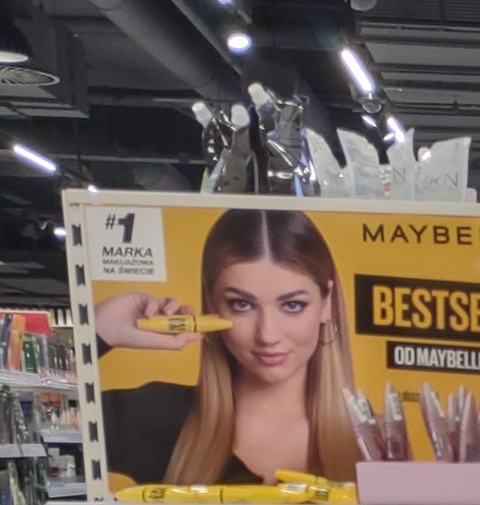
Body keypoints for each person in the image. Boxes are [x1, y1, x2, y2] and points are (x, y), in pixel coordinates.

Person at [96, 204, 361, 486]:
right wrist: (101, 327)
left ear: (327, 303)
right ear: (211, 304)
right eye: (241, 304)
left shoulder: (374, 442)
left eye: (292, 305)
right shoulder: (150, 415)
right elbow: (64, 427)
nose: (267, 334)